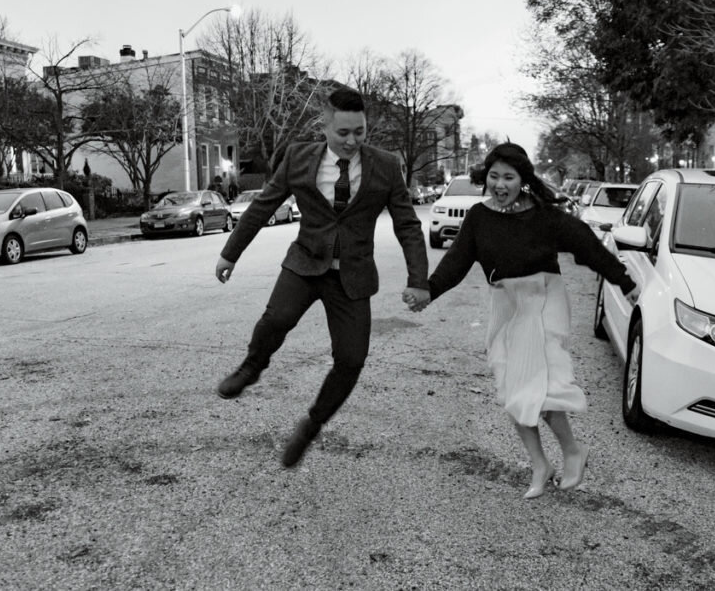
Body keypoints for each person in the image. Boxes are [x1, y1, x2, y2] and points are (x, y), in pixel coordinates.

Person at [214, 87, 431, 468]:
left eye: (359, 132)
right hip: (305, 264)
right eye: (343, 132)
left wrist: (418, 279)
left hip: (353, 276)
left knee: (351, 360)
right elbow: (263, 206)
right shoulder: (299, 157)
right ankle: (251, 368)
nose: (351, 141)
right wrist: (230, 253)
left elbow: (408, 225)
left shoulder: (384, 164)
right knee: (276, 319)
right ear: (325, 126)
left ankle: (311, 426)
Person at [410, 143, 636, 499]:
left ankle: (573, 450)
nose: (500, 184)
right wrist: (429, 291)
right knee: (512, 387)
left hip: (544, 300)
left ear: (523, 180)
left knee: (540, 386)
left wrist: (625, 282)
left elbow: (588, 246)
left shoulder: (545, 217)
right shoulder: (479, 217)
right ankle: (540, 464)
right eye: (494, 177)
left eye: (509, 177)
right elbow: (456, 262)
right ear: (486, 179)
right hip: (506, 303)